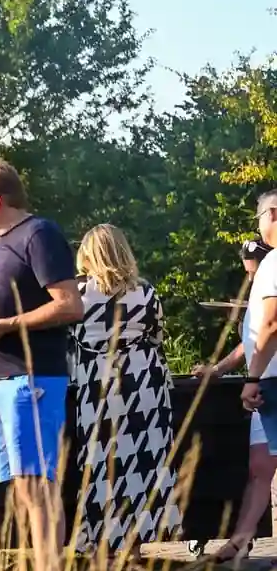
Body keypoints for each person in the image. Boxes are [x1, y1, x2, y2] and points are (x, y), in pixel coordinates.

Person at [0, 158, 84, 571]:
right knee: (24, 493)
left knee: (39, 493)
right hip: (1, 382)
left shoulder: (40, 234)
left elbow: (70, 304)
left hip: (30, 380)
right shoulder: (3, 242)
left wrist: (8, 326)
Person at [69, 225, 178, 553]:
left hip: (98, 384)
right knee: (144, 465)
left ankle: (102, 542)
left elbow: (69, 342)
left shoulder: (77, 294)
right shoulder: (145, 293)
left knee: (102, 464)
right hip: (144, 383)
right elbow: (157, 337)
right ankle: (134, 546)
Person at [221, 194, 277, 563]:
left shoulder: (274, 260)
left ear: (271, 214)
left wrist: (252, 378)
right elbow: (255, 332)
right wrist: (224, 368)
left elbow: (271, 325)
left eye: (259, 217)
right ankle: (239, 540)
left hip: (272, 378)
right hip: (268, 376)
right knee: (262, 464)